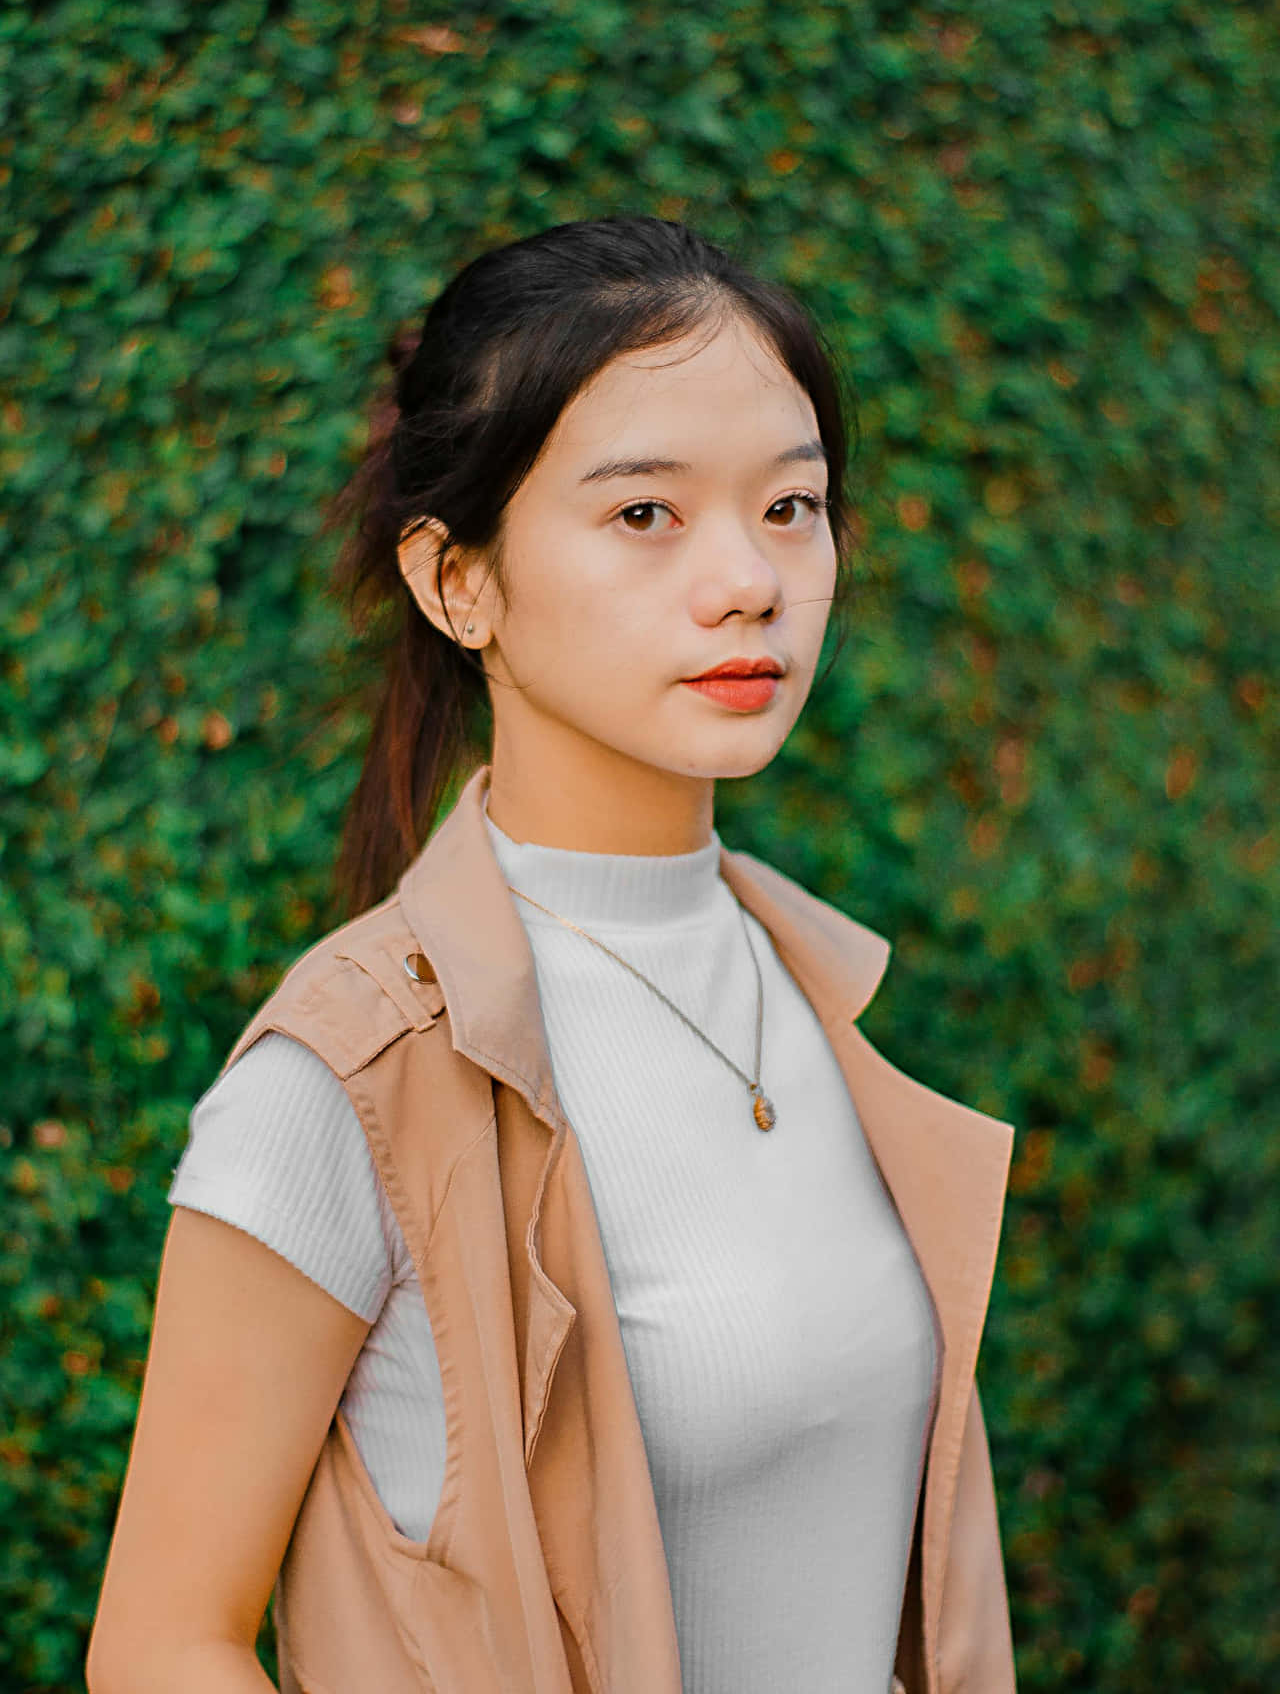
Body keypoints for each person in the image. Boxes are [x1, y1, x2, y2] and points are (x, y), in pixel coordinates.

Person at [87, 214, 1016, 1694]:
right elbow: (159, 1645)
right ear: (458, 581)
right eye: (646, 515)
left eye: (791, 506)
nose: (749, 581)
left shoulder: (812, 985)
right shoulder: (352, 1079)